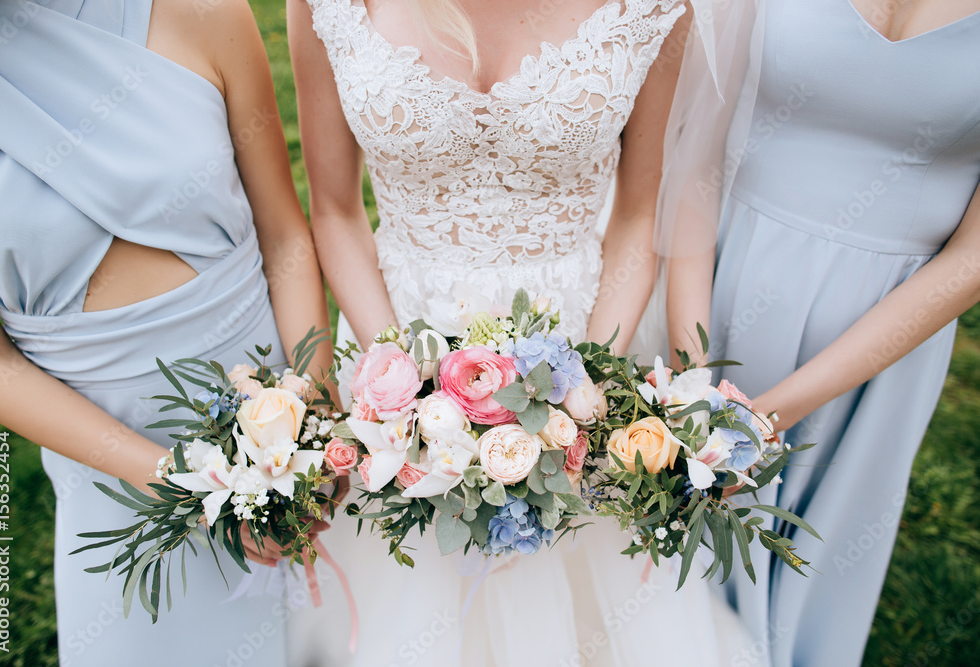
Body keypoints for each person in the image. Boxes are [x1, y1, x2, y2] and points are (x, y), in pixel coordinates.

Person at [286, 1, 758, 665]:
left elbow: (637, 215)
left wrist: (586, 384)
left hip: (580, 363)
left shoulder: (655, 8)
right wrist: (399, 383)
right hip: (390, 355)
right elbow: (334, 210)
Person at [0, 0, 334, 664]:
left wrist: (312, 399)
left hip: (284, 445)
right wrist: (174, 480)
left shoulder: (199, 11)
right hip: (114, 481)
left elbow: (283, 231)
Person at [703, 0, 980, 664]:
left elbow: (973, 259)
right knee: (680, 545)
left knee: (815, 565)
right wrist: (693, 366)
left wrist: (772, 414)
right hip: (720, 295)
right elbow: (688, 143)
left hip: (886, 351)